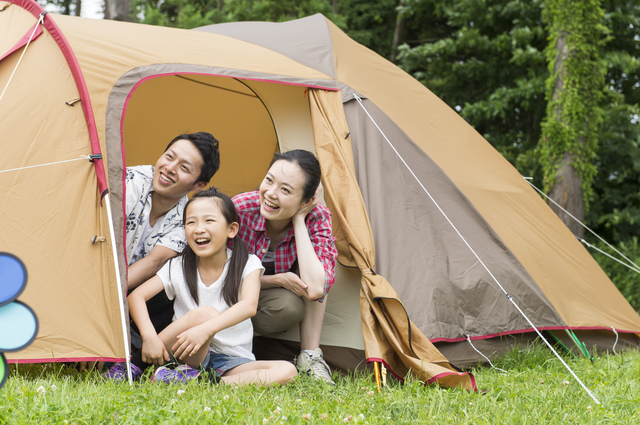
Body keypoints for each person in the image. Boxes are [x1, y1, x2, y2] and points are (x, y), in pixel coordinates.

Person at [124, 187, 297, 385]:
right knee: (205, 313)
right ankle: (135, 366)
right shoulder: (177, 266)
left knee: (288, 370)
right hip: (186, 352)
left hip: (232, 359)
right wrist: (149, 337)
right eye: (191, 222)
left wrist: (206, 330)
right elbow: (136, 296)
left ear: (231, 230)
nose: (199, 229)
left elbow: (249, 306)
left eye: (209, 220)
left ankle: (203, 383)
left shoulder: (248, 263)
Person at [104, 132, 220, 380]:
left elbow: (154, 261)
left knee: (168, 288)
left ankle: (140, 360)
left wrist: (110, 297)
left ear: (198, 185)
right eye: (169, 157)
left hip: (128, 288)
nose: (169, 168)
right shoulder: (130, 182)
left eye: (184, 167)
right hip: (96, 274)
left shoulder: (186, 217)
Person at [233, 150, 338, 384]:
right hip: (231, 295)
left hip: (270, 304)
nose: (270, 194)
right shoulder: (240, 209)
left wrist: (299, 220)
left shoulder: (316, 216)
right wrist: (277, 279)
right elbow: (216, 274)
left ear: (307, 200)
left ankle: (310, 357)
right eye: (269, 180)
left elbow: (316, 288)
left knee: (312, 274)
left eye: (286, 190)